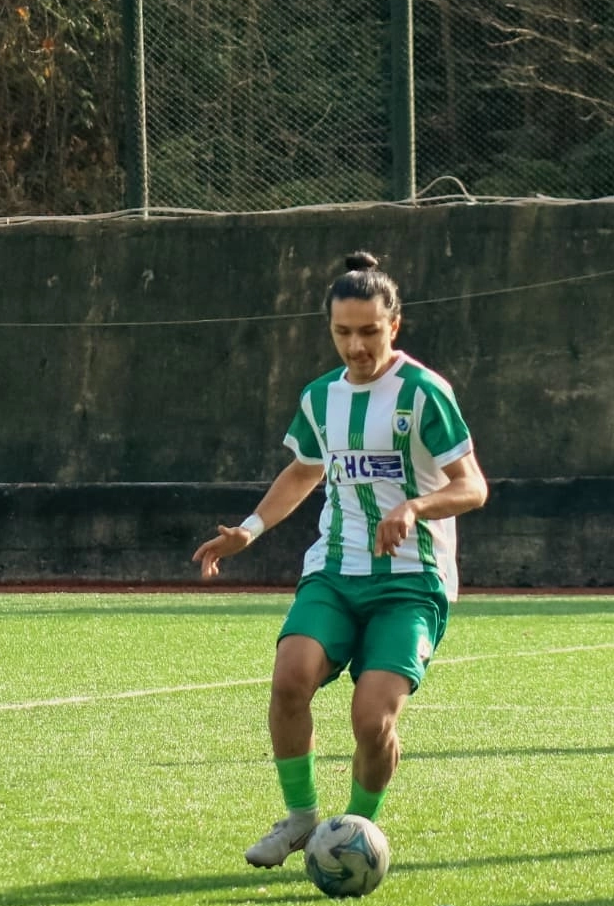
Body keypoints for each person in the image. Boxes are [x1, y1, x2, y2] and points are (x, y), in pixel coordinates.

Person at [193, 252, 489, 869]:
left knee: (372, 720)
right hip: (333, 571)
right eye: (343, 332)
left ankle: (353, 832)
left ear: (394, 326)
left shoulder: (424, 393)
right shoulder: (320, 397)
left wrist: (414, 507)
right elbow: (304, 470)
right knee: (288, 679)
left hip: (411, 582)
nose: (356, 346)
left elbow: (473, 487)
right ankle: (302, 819)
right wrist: (249, 530)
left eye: (369, 331)